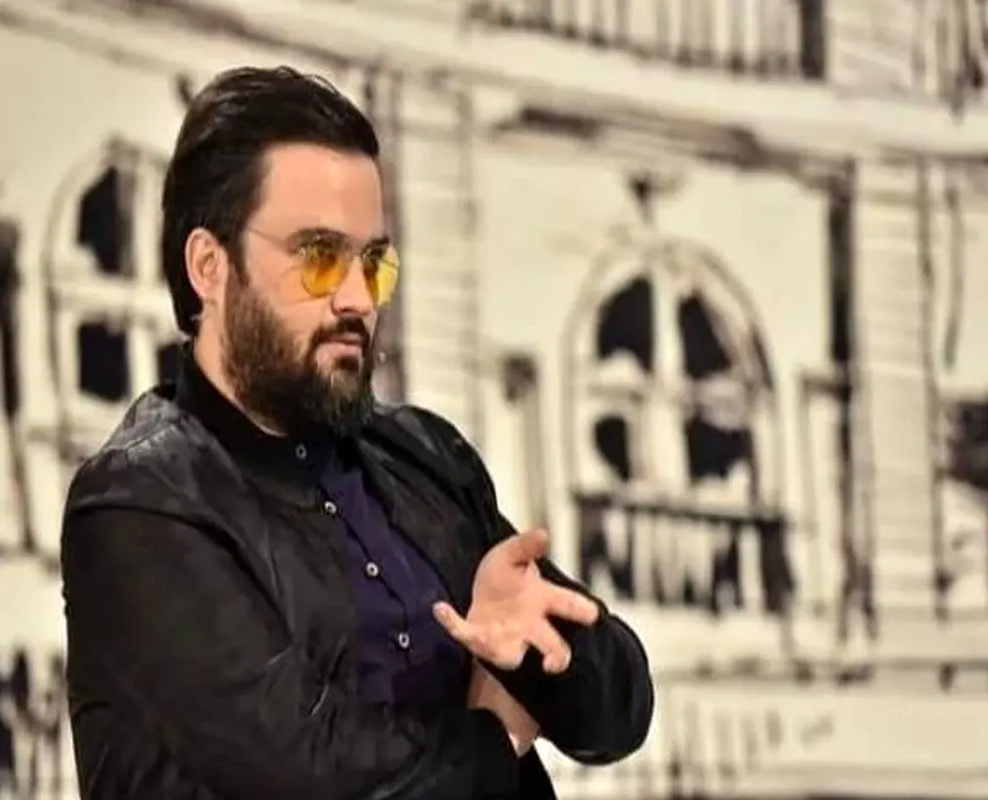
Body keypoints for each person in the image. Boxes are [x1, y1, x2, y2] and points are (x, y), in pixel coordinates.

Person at [60, 66, 654, 800]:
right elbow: (310, 773)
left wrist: (532, 661)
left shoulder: (424, 456)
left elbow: (622, 711)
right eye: (318, 257)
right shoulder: (138, 502)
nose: (358, 299)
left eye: (373, 262)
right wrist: (497, 735)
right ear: (210, 267)